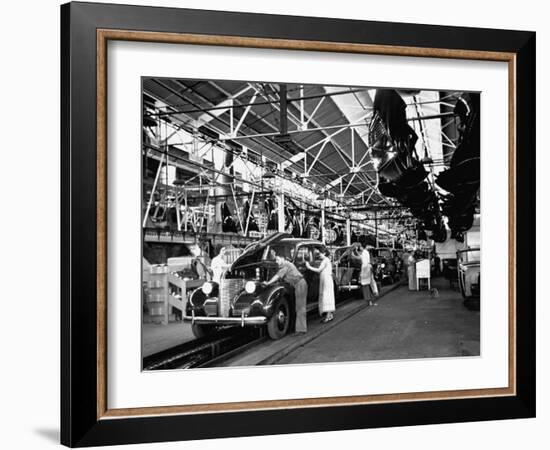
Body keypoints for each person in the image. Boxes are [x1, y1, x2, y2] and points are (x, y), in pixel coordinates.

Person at [263, 254, 308, 334]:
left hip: (300, 284)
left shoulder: (286, 266)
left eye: (278, 259)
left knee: (300, 308)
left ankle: (301, 330)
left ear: (282, 258)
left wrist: (268, 283)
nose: (276, 262)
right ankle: (300, 329)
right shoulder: (286, 265)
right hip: (299, 284)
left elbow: (277, 276)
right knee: (299, 307)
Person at [305, 248, 335, 323]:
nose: (319, 255)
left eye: (320, 254)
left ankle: (328, 316)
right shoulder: (327, 260)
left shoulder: (325, 261)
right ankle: (330, 314)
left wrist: (309, 267)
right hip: (327, 280)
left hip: (326, 280)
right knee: (329, 296)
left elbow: (319, 270)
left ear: (324, 253)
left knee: (326, 296)